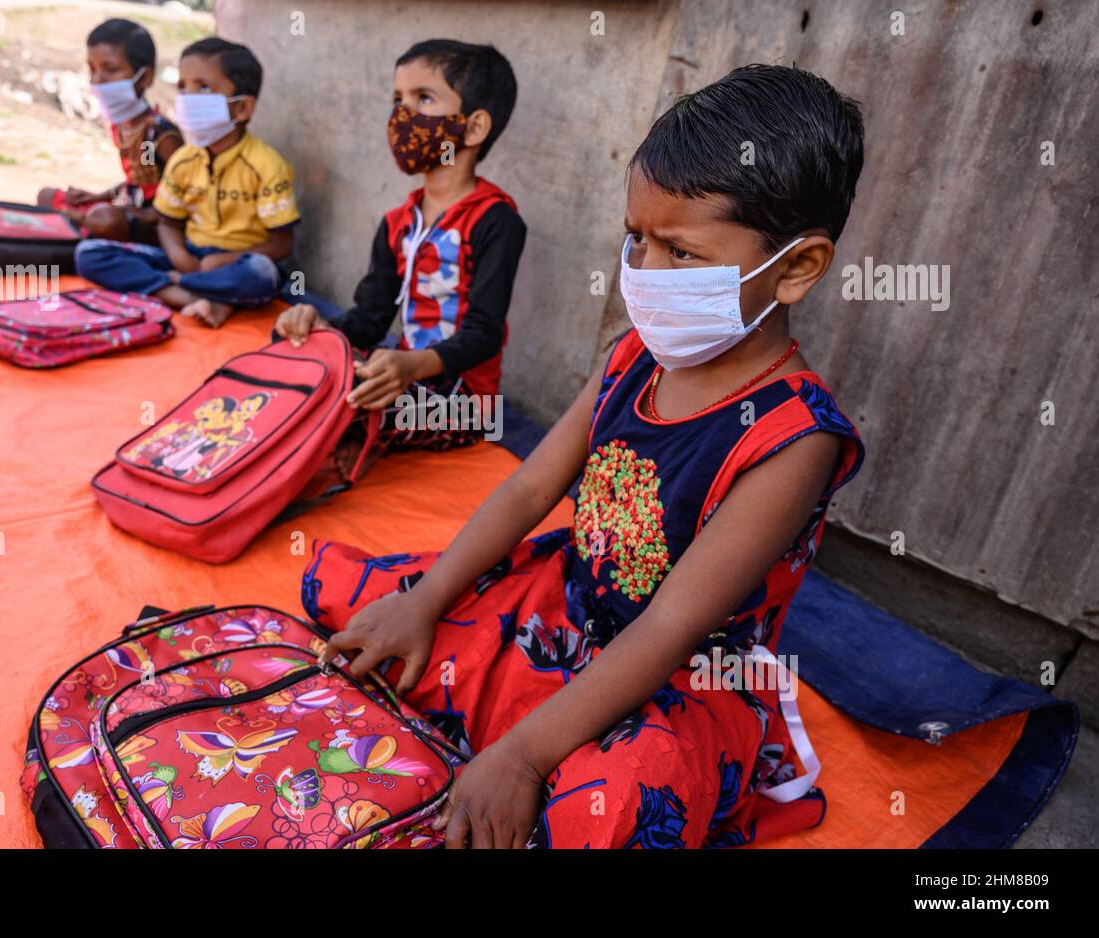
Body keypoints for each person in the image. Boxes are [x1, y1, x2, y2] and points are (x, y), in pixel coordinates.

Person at [301, 64, 867, 849]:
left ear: (798, 267)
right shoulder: (633, 355)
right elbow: (533, 487)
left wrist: (526, 755)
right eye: (636, 238)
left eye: (682, 252)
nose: (645, 270)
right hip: (566, 604)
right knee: (363, 608)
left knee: (618, 804)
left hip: (680, 677)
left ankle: (527, 732)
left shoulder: (795, 438)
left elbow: (672, 624)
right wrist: (426, 599)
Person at [275, 39, 525, 450]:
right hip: (402, 376)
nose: (402, 115)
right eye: (397, 99)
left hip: (467, 405)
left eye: (423, 98)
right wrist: (319, 327)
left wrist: (412, 366)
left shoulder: (496, 220)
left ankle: (354, 443)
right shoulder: (397, 223)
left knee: (339, 407)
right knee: (291, 357)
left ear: (474, 126)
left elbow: (485, 333)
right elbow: (371, 319)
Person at [75, 38, 298, 329]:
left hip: (235, 264)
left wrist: (220, 261)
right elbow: (168, 223)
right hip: (189, 259)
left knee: (261, 274)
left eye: (203, 88)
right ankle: (190, 295)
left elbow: (281, 244)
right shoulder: (183, 161)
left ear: (242, 108)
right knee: (90, 254)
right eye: (183, 87)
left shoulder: (267, 166)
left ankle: (183, 289)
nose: (188, 98)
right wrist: (179, 256)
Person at [36, 19, 182, 243]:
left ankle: (79, 222)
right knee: (46, 196)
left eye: (110, 69)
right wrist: (98, 196)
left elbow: (186, 191)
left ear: (145, 77)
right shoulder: (122, 125)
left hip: (156, 222)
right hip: (127, 207)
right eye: (92, 70)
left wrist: (147, 214)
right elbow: (137, 183)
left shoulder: (158, 135)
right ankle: (80, 221)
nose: (97, 80)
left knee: (105, 219)